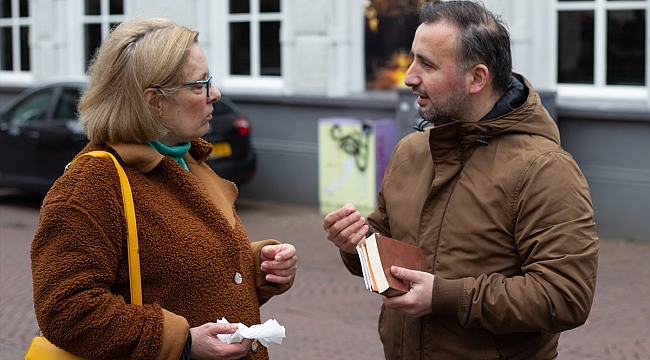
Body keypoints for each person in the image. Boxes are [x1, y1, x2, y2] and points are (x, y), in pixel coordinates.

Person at [322, 1, 598, 359]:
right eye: (413, 59)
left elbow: (565, 297)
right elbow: (387, 255)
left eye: (427, 64)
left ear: (477, 78)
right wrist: (355, 244)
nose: (409, 77)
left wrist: (446, 297)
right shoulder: (411, 152)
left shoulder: (545, 169)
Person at [30, 17, 297, 360]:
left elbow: (180, 266)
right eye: (200, 84)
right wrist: (181, 342)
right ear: (155, 101)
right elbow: (65, 309)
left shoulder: (185, 160)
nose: (214, 94)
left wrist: (258, 264)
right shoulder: (91, 185)